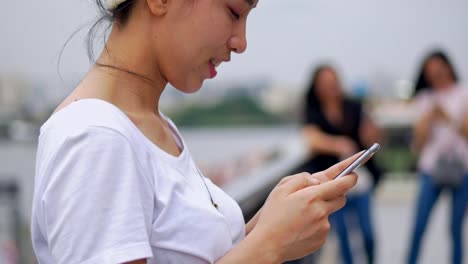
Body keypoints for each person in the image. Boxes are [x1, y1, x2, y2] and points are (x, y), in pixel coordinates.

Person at [30, 0, 360, 263]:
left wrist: (270, 223)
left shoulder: (154, 128)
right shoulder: (95, 136)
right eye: (234, 12)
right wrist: (269, 245)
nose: (241, 42)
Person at [301, 65, 382, 264]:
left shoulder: (354, 106)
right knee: (343, 236)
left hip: (360, 180)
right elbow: (311, 138)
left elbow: (370, 136)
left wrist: (371, 129)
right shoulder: (314, 111)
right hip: (332, 183)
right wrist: (338, 144)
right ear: (316, 86)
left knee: (368, 233)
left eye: (333, 81)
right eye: (324, 83)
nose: (330, 86)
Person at [407, 50, 468, 264]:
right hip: (431, 167)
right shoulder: (424, 98)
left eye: (438, 67)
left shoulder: (463, 93)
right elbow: (418, 144)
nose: (435, 73)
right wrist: (426, 121)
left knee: (455, 228)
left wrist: (447, 117)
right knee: (419, 225)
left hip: (462, 167)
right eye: (429, 70)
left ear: (448, 66)